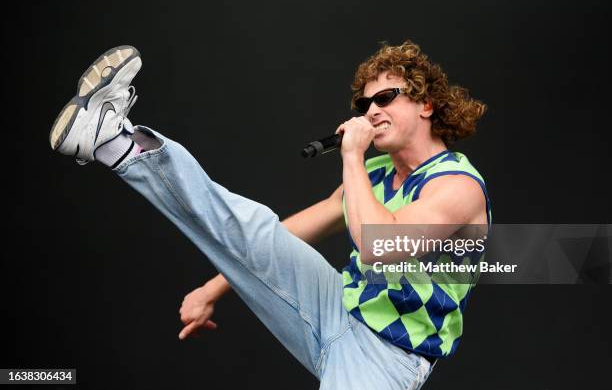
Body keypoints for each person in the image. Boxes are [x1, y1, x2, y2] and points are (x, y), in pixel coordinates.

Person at [50, 40, 490, 390]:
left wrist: (352, 156)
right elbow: (289, 232)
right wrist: (214, 286)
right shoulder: (376, 174)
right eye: (363, 104)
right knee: (256, 226)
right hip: (337, 308)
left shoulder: (458, 186)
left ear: (426, 104)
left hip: (388, 356)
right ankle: (115, 141)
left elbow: (379, 247)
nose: (371, 111)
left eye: (386, 97)